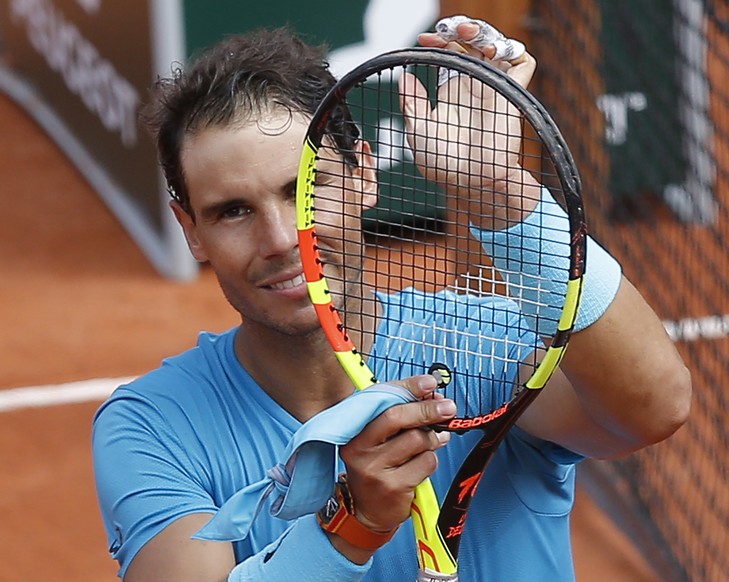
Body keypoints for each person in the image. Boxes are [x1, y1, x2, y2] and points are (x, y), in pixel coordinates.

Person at [92, 18, 691, 582]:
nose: (281, 241)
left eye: (304, 189)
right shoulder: (151, 428)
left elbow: (654, 405)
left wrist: (498, 194)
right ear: (191, 229)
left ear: (365, 173)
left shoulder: (493, 348)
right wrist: (352, 527)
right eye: (233, 212)